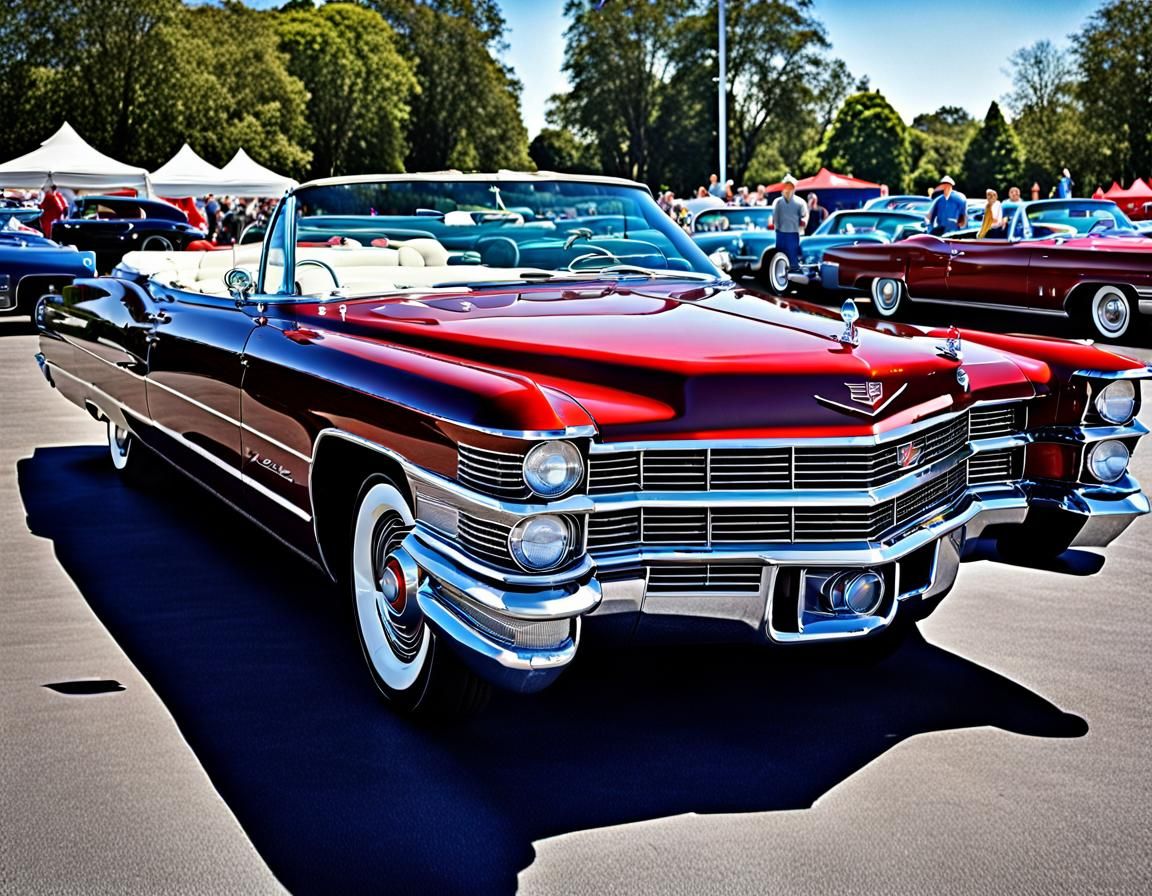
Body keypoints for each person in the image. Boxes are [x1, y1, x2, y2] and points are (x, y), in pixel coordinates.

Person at [771, 174, 808, 272]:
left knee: (793, 257)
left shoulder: (800, 202)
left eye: (790, 186)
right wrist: (775, 227)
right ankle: (780, 274)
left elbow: (805, 215)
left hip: (794, 234)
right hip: (780, 234)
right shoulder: (777, 202)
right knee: (780, 256)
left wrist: (804, 221)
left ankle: (794, 274)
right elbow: (774, 216)